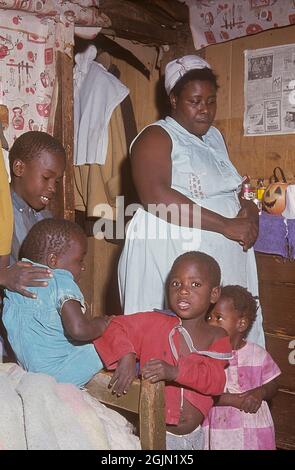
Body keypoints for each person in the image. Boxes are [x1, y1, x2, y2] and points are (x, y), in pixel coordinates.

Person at [118, 54, 264, 347]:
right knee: (177, 339)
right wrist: (226, 225)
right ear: (173, 99)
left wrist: (248, 209)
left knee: (229, 330)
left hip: (222, 247)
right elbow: (155, 196)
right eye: (195, 101)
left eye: (211, 101)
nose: (205, 110)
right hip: (172, 248)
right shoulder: (156, 136)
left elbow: (232, 185)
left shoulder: (214, 138)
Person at [94, 251, 232, 450]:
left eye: (195, 284)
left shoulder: (217, 336)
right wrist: (127, 354)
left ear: (214, 294)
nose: (183, 291)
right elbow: (113, 325)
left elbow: (216, 382)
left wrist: (175, 372)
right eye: (176, 283)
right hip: (152, 436)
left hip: (194, 438)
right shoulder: (154, 322)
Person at [2, 218, 111, 387]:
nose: (83, 267)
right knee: (108, 342)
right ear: (53, 261)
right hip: (60, 374)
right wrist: (102, 324)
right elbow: (79, 329)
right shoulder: (61, 280)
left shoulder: (14, 283)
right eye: (79, 260)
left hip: (29, 370)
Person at [203, 285, 281, 450]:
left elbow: (274, 384)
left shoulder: (257, 354)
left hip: (254, 429)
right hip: (219, 430)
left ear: (241, 323)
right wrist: (233, 400)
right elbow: (201, 394)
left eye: (218, 317)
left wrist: (260, 392)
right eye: (208, 317)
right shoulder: (206, 356)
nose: (211, 323)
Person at [0, 131, 66, 297]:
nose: (53, 188)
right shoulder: (4, 213)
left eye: (56, 181)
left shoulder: (45, 217)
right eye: (46, 178)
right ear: (19, 168)